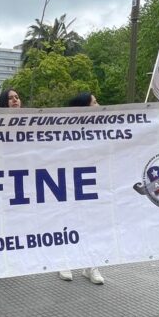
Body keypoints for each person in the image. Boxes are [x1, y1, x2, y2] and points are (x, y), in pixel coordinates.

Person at [59, 91, 104, 285]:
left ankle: (91, 265)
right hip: (69, 182)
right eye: (94, 102)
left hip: (94, 181)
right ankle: (65, 261)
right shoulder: (63, 129)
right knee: (67, 220)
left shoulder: (104, 127)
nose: (98, 105)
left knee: (93, 223)